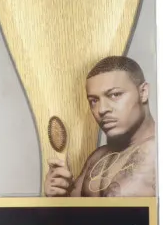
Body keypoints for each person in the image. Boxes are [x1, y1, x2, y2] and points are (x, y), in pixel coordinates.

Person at [44, 56, 156, 197]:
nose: (101, 109)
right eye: (94, 101)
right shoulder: (97, 157)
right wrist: (57, 193)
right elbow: (71, 209)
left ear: (143, 92)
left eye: (115, 95)